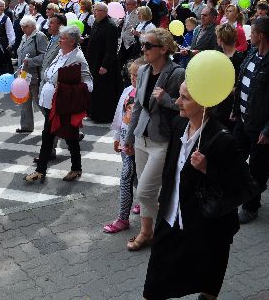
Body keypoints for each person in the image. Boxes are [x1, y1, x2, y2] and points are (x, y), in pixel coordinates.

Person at [143, 82, 248, 300]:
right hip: (172, 216)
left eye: (185, 98)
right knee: (155, 276)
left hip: (204, 223)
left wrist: (208, 168)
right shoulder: (179, 125)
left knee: (209, 270)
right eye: (179, 96)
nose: (178, 102)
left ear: (203, 104)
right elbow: (170, 170)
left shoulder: (223, 139)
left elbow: (242, 185)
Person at [123, 28, 184, 251]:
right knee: (146, 190)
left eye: (148, 45)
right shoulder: (144, 71)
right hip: (141, 138)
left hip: (162, 140)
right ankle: (146, 232)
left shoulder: (177, 73)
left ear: (164, 49)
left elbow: (188, 105)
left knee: (145, 192)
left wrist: (167, 99)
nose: (143, 49)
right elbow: (138, 106)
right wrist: (129, 137)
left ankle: (171, 229)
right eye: (143, 45)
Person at [234, 17, 269, 224]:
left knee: (257, 170)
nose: (250, 36)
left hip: (261, 129)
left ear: (262, 35)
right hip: (242, 122)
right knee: (234, 159)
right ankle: (241, 193)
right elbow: (241, 84)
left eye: (254, 32)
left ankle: (251, 206)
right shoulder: (252, 54)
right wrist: (235, 110)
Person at [25, 25, 93, 182]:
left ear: (71, 41)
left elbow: (89, 83)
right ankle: (45, 170)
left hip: (64, 105)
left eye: (61, 39)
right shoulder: (61, 53)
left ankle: (66, 169)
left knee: (68, 137)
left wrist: (68, 87)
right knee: (53, 136)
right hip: (52, 103)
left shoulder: (78, 58)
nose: (58, 42)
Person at [104, 58, 145, 234]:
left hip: (136, 144)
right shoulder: (128, 91)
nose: (133, 78)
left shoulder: (145, 94)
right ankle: (144, 203)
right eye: (131, 75)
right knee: (135, 177)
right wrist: (116, 137)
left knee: (126, 178)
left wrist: (133, 144)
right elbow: (120, 116)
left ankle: (122, 218)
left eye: (137, 75)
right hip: (124, 141)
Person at [86, 2, 121, 123]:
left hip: (103, 64)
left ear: (104, 12)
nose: (94, 13)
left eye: (96, 10)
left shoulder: (111, 26)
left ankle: (104, 116)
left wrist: (105, 65)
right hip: (93, 61)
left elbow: (111, 48)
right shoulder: (97, 22)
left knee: (103, 91)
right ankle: (93, 113)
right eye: (94, 10)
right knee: (94, 89)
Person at [16, 15, 49, 133]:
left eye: (25, 27)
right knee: (24, 99)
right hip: (24, 74)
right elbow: (21, 53)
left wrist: (31, 61)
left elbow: (45, 55)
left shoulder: (39, 36)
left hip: (35, 74)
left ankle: (53, 123)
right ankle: (26, 125)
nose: (22, 29)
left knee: (39, 101)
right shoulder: (25, 36)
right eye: (22, 27)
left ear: (32, 26)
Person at [212, 23, 246, 131]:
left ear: (221, 39)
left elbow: (242, 85)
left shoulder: (239, 59)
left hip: (231, 105)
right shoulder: (218, 56)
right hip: (218, 103)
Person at [118, 0, 141, 68]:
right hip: (122, 41)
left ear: (134, 5)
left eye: (128, 4)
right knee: (120, 62)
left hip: (131, 42)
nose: (126, 5)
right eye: (126, 4)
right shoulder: (125, 14)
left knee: (129, 63)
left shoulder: (138, 15)